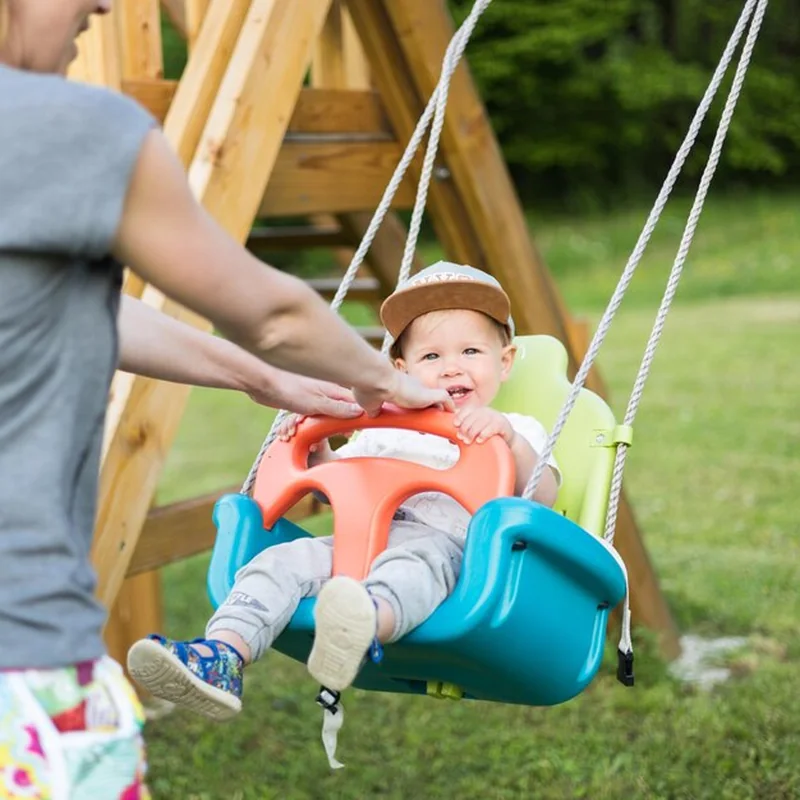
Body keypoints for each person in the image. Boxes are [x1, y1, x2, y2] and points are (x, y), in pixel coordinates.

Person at [0, 2, 452, 797]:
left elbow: (80, 305)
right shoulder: (75, 127)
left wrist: (260, 378)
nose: (103, 6)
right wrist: (386, 380)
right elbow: (273, 314)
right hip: (20, 651)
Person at [127, 263, 562, 746]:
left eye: (471, 351)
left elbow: (541, 496)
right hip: (354, 548)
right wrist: (316, 452)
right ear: (401, 371)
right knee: (278, 561)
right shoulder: (384, 430)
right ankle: (222, 655)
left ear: (505, 362)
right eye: (432, 355)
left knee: (413, 564)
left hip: (452, 552)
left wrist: (508, 442)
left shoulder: (514, 428)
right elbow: (334, 482)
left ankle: (363, 623)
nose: (451, 367)